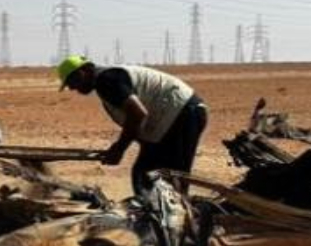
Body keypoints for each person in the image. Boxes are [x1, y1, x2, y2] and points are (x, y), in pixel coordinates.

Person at [57, 55, 210, 198]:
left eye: (72, 82)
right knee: (145, 174)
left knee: (172, 177)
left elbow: (138, 114)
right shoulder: (106, 81)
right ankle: (156, 216)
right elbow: (137, 119)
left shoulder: (107, 80)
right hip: (176, 116)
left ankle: (181, 220)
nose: (72, 88)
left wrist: (119, 149)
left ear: (83, 71)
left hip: (183, 114)